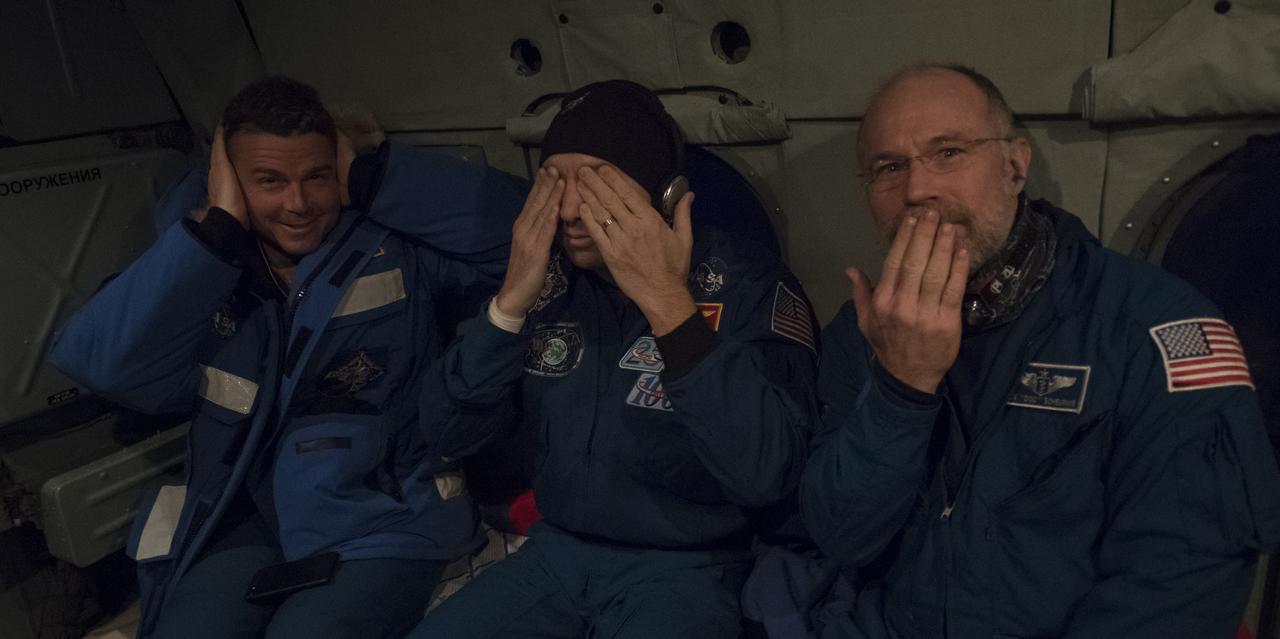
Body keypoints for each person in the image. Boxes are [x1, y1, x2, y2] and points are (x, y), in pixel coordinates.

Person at [800, 63, 1280, 638]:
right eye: (888, 167)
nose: (917, 189)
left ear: (1015, 164)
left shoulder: (1158, 327)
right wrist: (902, 386)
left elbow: (1177, 587)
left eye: (948, 152)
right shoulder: (860, 329)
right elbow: (841, 534)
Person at [48, 76, 526, 639]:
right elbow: (97, 364)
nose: (297, 205)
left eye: (316, 177)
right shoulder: (202, 260)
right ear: (227, 179)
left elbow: (521, 237)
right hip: (244, 515)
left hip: (380, 520)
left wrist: (373, 177)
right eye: (269, 181)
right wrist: (219, 230)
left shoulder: (395, 248)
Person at [407, 79, 820, 638]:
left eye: (598, 184)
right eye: (554, 184)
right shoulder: (547, 288)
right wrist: (508, 306)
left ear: (663, 195)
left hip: (686, 569)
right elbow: (445, 437)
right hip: (555, 556)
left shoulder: (747, 285)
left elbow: (767, 473)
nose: (571, 210)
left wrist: (669, 306)